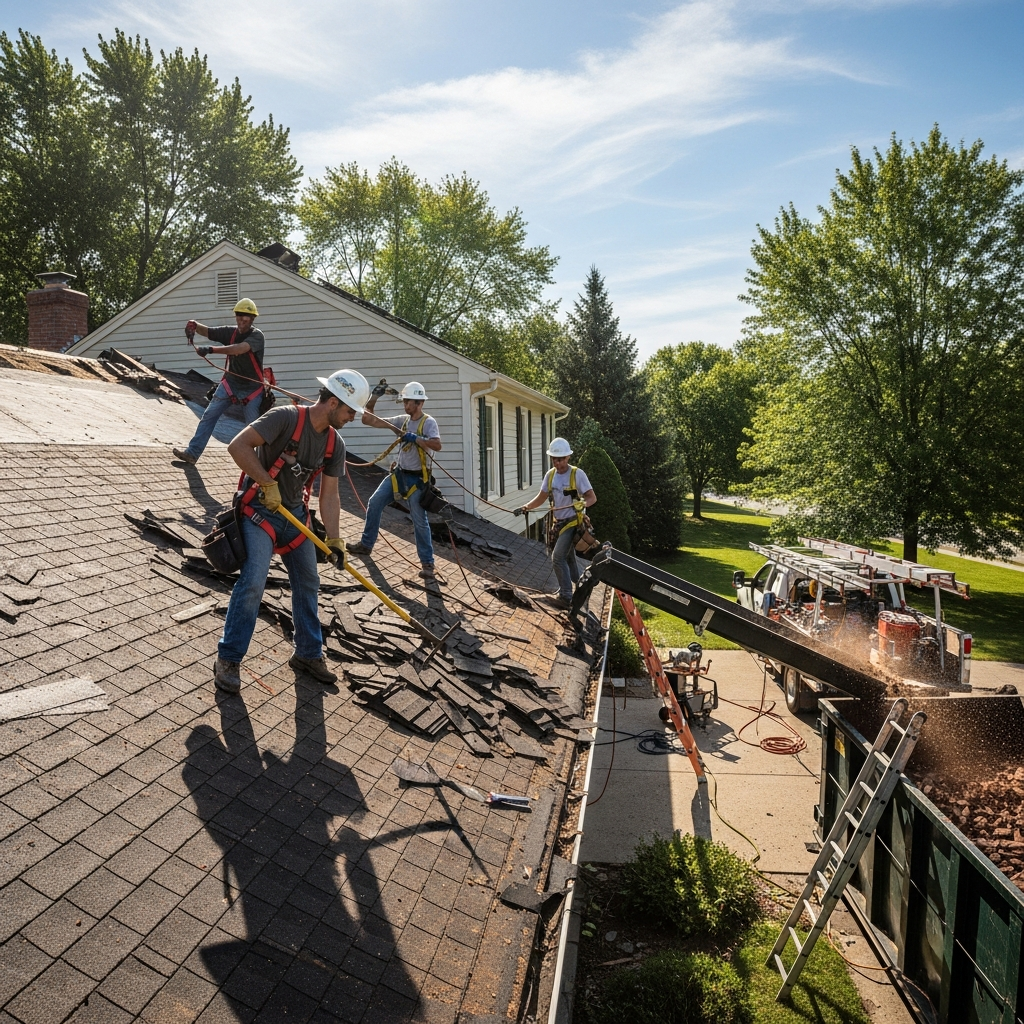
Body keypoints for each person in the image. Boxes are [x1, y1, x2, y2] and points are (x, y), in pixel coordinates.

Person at [213, 368, 369, 694]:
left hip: (295, 519)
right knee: (254, 580)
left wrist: (336, 540)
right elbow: (238, 446)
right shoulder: (284, 417)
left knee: (309, 582)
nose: (353, 417)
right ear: (333, 402)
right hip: (260, 513)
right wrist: (267, 482)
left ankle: (308, 654)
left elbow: (330, 495)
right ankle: (228, 659)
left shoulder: (333, 443)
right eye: (350, 410)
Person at [345, 381, 443, 580]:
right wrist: (374, 398)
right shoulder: (402, 421)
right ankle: (366, 545)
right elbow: (369, 420)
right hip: (399, 475)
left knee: (419, 521)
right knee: (374, 502)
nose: (405, 405)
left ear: (419, 403)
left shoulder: (428, 422)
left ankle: (428, 564)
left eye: (409, 401)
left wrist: (415, 438)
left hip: (417, 479)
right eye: (405, 401)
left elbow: (437, 445)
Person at [173, 298, 268, 465]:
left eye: (245, 317)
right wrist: (194, 325)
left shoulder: (257, 336)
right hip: (230, 384)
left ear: (252, 319)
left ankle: (261, 466)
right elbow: (209, 332)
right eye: (239, 316)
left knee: (254, 430)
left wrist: (210, 350)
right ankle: (192, 453)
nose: (241, 320)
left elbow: (239, 349)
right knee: (209, 416)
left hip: (252, 390)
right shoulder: (230, 332)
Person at [515, 438, 597, 609]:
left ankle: (566, 595)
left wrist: (583, 503)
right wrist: (526, 507)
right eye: (554, 459)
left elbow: (592, 497)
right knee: (569, 559)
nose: (558, 462)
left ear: (568, 457)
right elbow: (542, 497)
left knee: (557, 557)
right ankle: (583, 585)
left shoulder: (577, 474)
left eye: (561, 459)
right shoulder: (550, 476)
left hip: (573, 523)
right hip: (558, 523)